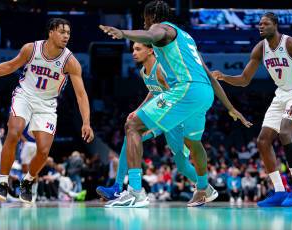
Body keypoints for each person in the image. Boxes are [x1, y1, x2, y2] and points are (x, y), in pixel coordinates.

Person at [99, 0, 251, 207]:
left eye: (145, 18)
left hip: (185, 90)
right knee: (193, 143)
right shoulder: (187, 38)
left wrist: (124, 33)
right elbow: (210, 76)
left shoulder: (160, 28)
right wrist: (231, 108)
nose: (145, 23)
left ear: (151, 16)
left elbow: (151, 36)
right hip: (204, 94)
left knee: (132, 125)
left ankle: (135, 191)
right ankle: (203, 188)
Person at [212, 12, 292, 207]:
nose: (261, 26)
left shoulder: (291, 44)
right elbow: (244, 80)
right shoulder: (260, 49)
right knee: (262, 141)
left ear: (275, 25)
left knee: (285, 132)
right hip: (281, 94)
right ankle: (279, 191)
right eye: (259, 24)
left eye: (265, 23)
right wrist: (224, 76)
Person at [0, 18, 94, 204]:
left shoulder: (71, 62)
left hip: (47, 104)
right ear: (51, 32)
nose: (66, 36)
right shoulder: (31, 49)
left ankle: (27, 181)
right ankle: (3, 183)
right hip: (25, 96)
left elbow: (81, 94)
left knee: (44, 151)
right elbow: (11, 65)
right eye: (62, 32)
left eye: (68, 33)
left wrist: (86, 122)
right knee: (13, 132)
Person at [96, 42, 200, 204]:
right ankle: (118, 187)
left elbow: (176, 97)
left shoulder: (161, 69)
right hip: (162, 117)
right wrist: (138, 110)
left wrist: (156, 125)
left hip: (176, 121)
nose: (133, 53)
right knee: (130, 136)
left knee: (182, 165)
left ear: (151, 50)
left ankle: (204, 185)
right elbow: (154, 91)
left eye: (138, 49)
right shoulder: (144, 72)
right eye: (133, 49)